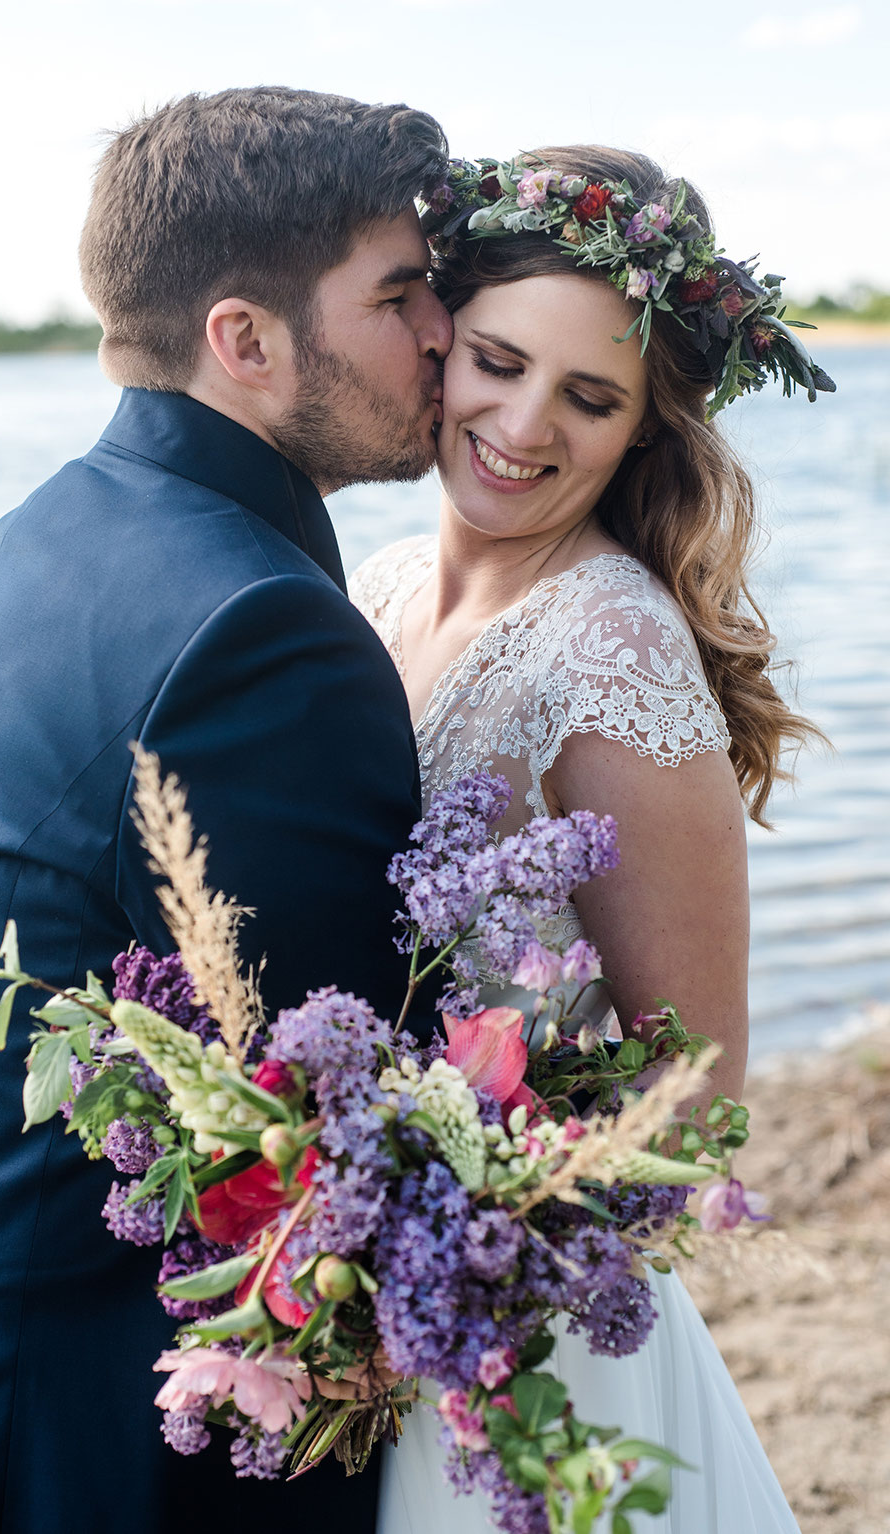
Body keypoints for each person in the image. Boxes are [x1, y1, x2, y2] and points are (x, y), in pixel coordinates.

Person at [0, 87, 452, 1533]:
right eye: (400, 296)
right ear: (244, 340)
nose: (442, 333)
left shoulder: (49, 527)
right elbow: (336, 1110)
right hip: (92, 1440)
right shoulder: (264, 628)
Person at [352, 146, 832, 1532]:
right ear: (438, 343)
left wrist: (483, 1243)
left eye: (591, 395)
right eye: (497, 361)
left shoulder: (614, 641)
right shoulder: (379, 586)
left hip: (521, 1317)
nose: (521, 421)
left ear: (642, 430)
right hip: (380, 1270)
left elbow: (701, 1087)